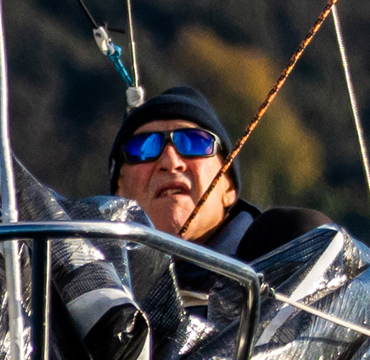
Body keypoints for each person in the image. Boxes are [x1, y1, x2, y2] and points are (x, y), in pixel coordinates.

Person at [107, 84, 327, 261]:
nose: (171, 162)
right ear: (119, 190)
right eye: (143, 147)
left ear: (228, 187)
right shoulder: (93, 279)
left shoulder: (287, 251)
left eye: (195, 142)